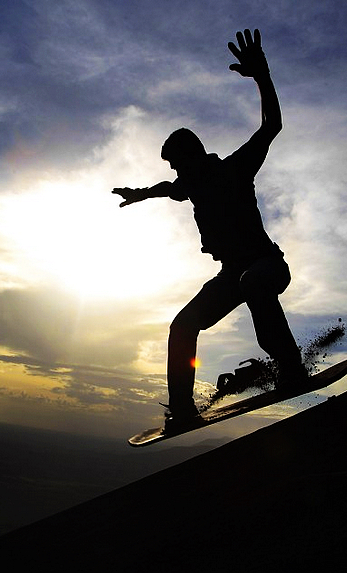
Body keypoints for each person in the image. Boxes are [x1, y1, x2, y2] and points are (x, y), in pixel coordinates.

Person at [113, 29, 305, 426]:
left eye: (178, 163)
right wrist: (141, 193)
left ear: (195, 154)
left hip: (267, 266)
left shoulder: (235, 167)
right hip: (231, 275)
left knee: (253, 282)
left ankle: (290, 367)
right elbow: (170, 188)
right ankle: (181, 410)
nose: (176, 173)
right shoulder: (191, 183)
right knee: (182, 326)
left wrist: (262, 77)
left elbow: (272, 127)